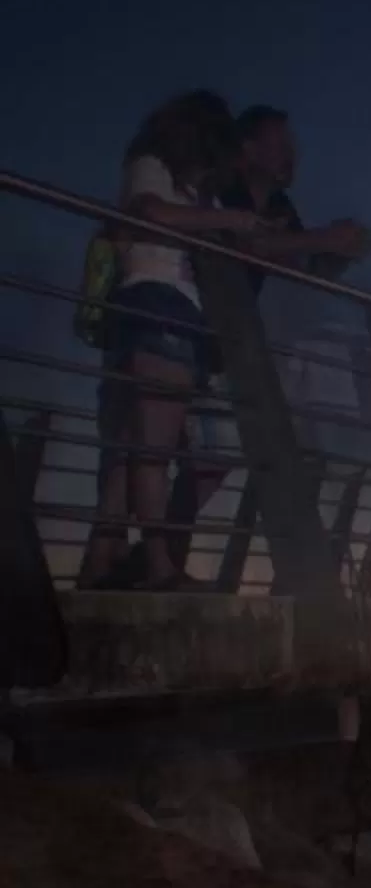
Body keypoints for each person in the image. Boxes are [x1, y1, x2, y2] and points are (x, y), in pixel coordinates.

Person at [169, 104, 371, 563]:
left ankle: (154, 558)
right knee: (164, 451)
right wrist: (320, 239)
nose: (292, 157)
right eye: (281, 147)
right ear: (248, 149)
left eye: (293, 149)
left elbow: (298, 263)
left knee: (209, 460)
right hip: (185, 324)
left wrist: (340, 254)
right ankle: (145, 560)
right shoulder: (224, 187)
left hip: (223, 341)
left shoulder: (280, 206)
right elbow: (247, 245)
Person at [79, 94, 270, 588]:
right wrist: (227, 220)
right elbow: (149, 213)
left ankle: (101, 564)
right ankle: (160, 568)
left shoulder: (184, 185)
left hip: (157, 312)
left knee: (129, 451)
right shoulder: (151, 166)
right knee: (154, 451)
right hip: (159, 307)